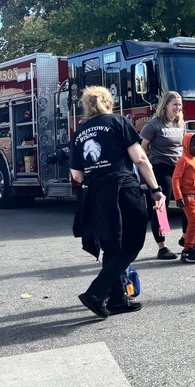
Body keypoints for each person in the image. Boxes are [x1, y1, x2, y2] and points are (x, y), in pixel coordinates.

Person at [70, 85, 165, 318]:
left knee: (111, 245)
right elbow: (140, 158)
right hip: (123, 188)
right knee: (132, 243)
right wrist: (156, 189)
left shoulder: (80, 132)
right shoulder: (118, 122)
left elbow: (77, 174)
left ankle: (117, 300)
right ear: (108, 102)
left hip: (95, 193)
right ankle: (96, 292)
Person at [140, 91, 184, 260]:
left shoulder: (180, 123)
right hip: (161, 167)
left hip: (178, 168)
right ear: (166, 105)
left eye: (180, 105)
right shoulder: (154, 124)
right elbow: (141, 148)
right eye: (175, 104)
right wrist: (147, 167)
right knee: (161, 206)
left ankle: (187, 239)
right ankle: (162, 247)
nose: (178, 108)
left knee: (188, 202)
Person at [172, 132, 195, 263]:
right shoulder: (183, 160)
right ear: (187, 145)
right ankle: (186, 251)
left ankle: (191, 246)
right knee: (194, 222)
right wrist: (178, 196)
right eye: (194, 145)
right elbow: (175, 178)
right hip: (188, 196)